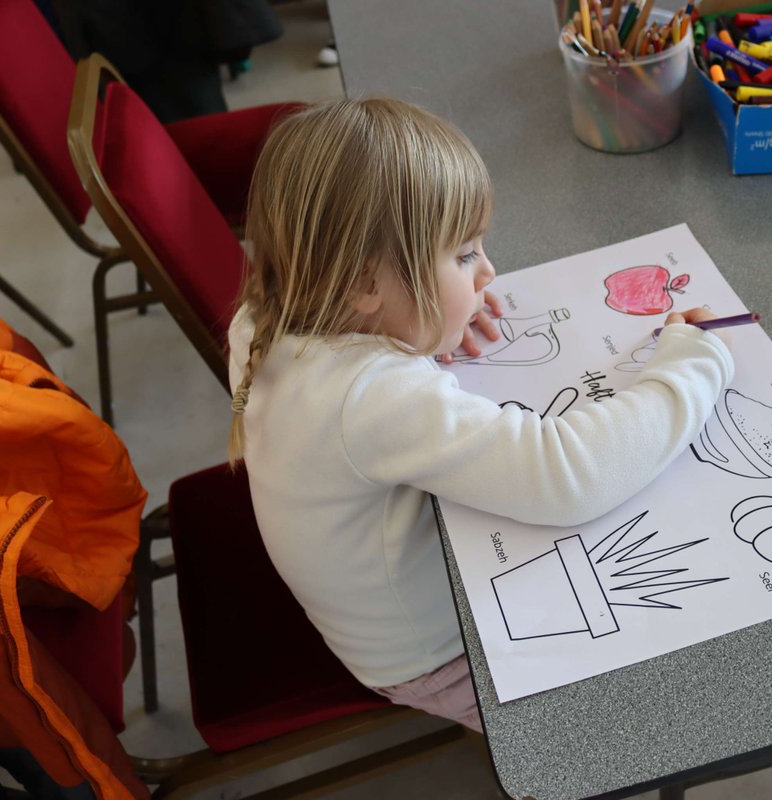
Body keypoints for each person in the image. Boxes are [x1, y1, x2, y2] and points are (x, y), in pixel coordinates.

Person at [226, 97, 734, 732]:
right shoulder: (370, 398)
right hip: (436, 657)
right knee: (660, 715)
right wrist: (693, 365)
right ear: (363, 287)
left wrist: (427, 322)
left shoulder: (264, 314)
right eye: (464, 255)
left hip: (382, 607)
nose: (489, 270)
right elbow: (569, 475)